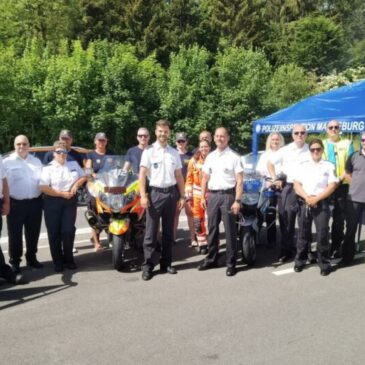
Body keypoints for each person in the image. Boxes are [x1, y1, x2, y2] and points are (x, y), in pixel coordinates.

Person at [139, 119, 185, 281]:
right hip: (155, 194)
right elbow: (142, 175)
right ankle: (148, 266)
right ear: (156, 132)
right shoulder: (149, 151)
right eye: (160, 131)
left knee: (167, 232)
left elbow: (179, 175)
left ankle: (166, 263)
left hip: (171, 194)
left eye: (165, 131)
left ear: (169, 133)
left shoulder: (174, 153)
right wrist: (143, 195)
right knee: (151, 233)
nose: (163, 134)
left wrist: (182, 195)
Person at [198, 127, 244, 277]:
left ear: (228, 138)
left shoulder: (234, 157)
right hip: (212, 196)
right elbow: (205, 177)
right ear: (214, 138)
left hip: (228, 196)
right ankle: (211, 258)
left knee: (230, 231)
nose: (219, 138)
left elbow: (239, 181)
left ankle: (231, 263)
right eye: (217, 136)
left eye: (222, 136)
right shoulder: (210, 156)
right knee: (212, 229)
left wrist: (237, 200)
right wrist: (203, 196)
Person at [40, 141, 87, 272]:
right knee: (54, 233)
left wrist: (76, 185)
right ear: (54, 153)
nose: (62, 154)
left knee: (68, 230)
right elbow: (43, 187)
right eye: (59, 152)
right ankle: (57, 261)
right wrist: (61, 194)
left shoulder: (72, 164)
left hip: (69, 202)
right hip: (52, 201)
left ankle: (69, 259)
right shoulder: (47, 168)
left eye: (64, 151)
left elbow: (83, 176)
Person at [293, 139, 338, 276]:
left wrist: (316, 198)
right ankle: (300, 260)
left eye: (318, 149)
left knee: (322, 235)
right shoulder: (303, 165)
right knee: (303, 234)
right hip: (305, 201)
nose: (315, 151)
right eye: (313, 149)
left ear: (322, 150)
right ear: (310, 151)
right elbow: (297, 185)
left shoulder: (328, 166)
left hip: (321, 202)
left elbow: (332, 185)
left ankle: (324, 263)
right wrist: (307, 198)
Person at [268, 124, 310, 263]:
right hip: (290, 188)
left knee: (304, 221)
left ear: (306, 134)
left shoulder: (311, 149)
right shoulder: (285, 150)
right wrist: (274, 178)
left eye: (302, 132)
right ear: (292, 135)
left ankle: (303, 251)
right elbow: (270, 163)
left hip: (306, 187)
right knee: (287, 221)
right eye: (296, 133)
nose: (299, 135)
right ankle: (286, 251)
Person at [3, 135, 43, 273]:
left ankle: (32, 258)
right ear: (14, 146)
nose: (21, 146)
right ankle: (15, 262)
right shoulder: (6, 162)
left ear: (29, 145)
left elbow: (43, 182)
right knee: (15, 235)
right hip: (15, 204)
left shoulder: (37, 161)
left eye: (24, 144)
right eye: (18, 144)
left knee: (33, 233)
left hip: (35, 203)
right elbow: (3, 184)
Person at [322, 120, 354, 258]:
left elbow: (350, 164)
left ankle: (336, 247)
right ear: (326, 129)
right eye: (331, 127)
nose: (334, 129)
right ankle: (322, 247)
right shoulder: (322, 144)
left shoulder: (347, 143)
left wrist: (339, 179)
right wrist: (331, 182)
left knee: (339, 219)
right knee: (322, 218)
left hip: (342, 185)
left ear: (339, 129)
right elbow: (321, 164)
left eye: (336, 127)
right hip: (326, 186)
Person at [84, 132, 115, 251]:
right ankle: (96, 242)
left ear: (106, 141)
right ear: (95, 141)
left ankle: (113, 239)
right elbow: (87, 171)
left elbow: (117, 168)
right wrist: (93, 175)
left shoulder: (111, 153)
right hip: (95, 189)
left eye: (104, 140)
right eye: (99, 140)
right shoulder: (90, 155)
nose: (101, 142)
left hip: (109, 188)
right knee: (95, 215)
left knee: (113, 213)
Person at [255, 132, 285, 248]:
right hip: (268, 185)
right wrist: (269, 180)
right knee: (269, 213)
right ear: (269, 141)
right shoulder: (265, 155)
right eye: (273, 140)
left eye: (277, 139)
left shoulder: (285, 153)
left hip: (283, 183)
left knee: (284, 213)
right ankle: (271, 239)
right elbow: (259, 170)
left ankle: (285, 240)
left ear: (281, 141)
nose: (275, 141)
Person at [341, 131, 365, 266]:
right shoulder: (354, 156)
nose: (364, 142)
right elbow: (347, 173)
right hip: (354, 199)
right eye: (363, 140)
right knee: (350, 230)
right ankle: (346, 258)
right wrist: (355, 185)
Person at [185, 139, 211, 254]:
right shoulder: (193, 161)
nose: (204, 149)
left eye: (206, 146)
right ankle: (202, 242)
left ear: (209, 148)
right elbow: (189, 178)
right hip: (197, 192)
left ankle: (213, 241)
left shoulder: (215, 159)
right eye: (201, 147)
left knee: (212, 218)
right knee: (198, 219)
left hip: (211, 192)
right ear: (199, 148)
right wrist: (188, 192)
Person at [173, 132, 195, 245]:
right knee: (175, 215)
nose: (181, 143)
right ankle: (173, 238)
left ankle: (193, 238)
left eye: (183, 141)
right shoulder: (172, 154)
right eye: (179, 141)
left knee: (190, 213)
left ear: (187, 142)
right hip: (175, 189)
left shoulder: (191, 156)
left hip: (187, 189)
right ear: (175, 142)